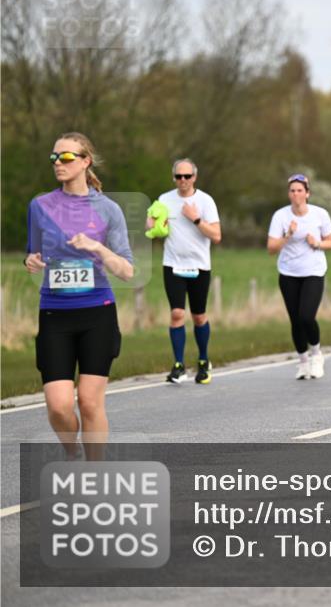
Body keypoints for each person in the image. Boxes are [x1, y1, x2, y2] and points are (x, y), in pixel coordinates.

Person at [25, 132, 134, 460]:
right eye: (54, 157)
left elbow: (127, 270)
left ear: (85, 162)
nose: (58, 163)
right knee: (59, 407)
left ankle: (95, 470)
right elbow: (33, 252)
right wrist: (31, 260)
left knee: (88, 401)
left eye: (67, 157)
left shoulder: (109, 210)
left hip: (97, 313)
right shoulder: (40, 206)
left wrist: (97, 247)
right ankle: (72, 452)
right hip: (54, 314)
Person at [147, 158, 222, 384]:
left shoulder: (206, 201)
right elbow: (155, 225)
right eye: (179, 176)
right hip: (173, 264)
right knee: (177, 313)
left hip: (199, 265)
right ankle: (179, 365)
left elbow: (216, 236)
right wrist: (153, 226)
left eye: (187, 176)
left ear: (194, 177)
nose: (183, 180)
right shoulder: (164, 199)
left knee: (198, 316)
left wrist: (196, 218)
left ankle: (203, 360)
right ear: (174, 178)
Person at [267, 174, 331, 379]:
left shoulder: (320, 214)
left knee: (307, 316)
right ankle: (303, 362)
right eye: (292, 191)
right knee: (295, 320)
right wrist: (288, 235)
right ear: (289, 194)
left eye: (299, 190)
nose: (295, 194)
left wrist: (318, 243)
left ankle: (316, 354)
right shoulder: (280, 216)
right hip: (288, 272)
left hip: (313, 271)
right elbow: (271, 248)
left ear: (307, 193)